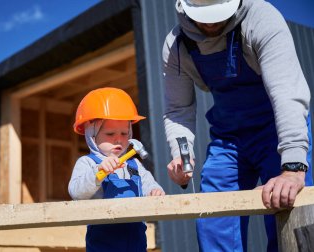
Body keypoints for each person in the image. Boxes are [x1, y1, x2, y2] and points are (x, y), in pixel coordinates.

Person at [162, 0, 313, 251]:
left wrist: (293, 167)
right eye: (203, 16)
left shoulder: (261, 18)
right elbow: (178, 110)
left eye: (217, 14)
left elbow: (287, 92)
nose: (210, 23)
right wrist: (183, 157)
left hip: (276, 131)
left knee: (287, 210)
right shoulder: (177, 44)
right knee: (213, 213)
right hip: (228, 139)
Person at [69, 87, 165, 252]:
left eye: (124, 133)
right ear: (91, 135)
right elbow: (76, 192)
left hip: (136, 241)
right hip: (104, 243)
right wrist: (98, 174)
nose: (118, 140)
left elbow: (150, 186)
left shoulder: (134, 165)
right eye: (110, 133)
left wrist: (155, 191)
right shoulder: (88, 163)